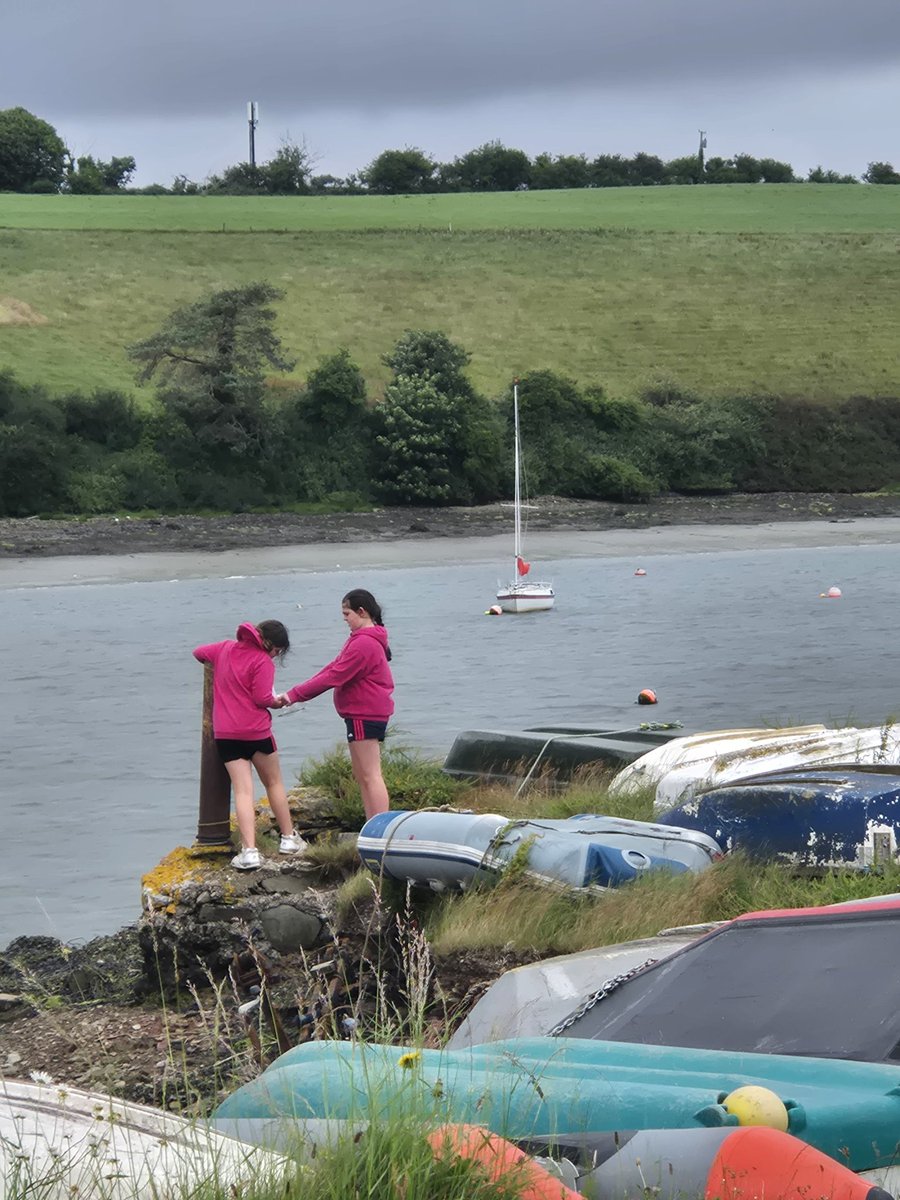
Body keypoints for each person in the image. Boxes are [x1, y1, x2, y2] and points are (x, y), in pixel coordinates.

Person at [193, 620, 307, 870]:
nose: (275, 656)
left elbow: (199, 652)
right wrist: (278, 702)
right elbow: (262, 698)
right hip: (256, 732)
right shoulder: (262, 661)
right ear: (271, 645)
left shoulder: (223, 649)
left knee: (243, 791)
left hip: (226, 734)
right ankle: (288, 839)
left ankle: (249, 852)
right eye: (277, 651)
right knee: (273, 782)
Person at [277, 589, 394, 821]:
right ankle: (372, 824)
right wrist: (293, 692)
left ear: (362, 612)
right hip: (360, 713)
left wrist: (293, 696)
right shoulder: (360, 639)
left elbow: (335, 676)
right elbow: (333, 668)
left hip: (365, 712)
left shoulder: (365, 644)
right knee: (362, 775)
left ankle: (380, 826)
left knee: (370, 774)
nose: (345, 620)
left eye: (347, 614)